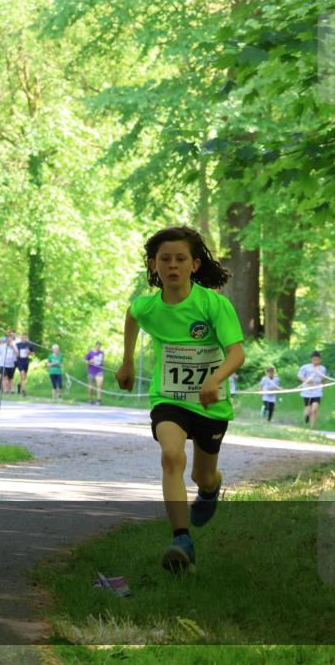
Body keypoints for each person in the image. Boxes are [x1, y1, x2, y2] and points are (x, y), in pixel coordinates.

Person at [116, 226, 244, 573]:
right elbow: (132, 315)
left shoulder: (213, 304)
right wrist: (127, 360)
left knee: (203, 475)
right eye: (165, 259)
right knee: (171, 456)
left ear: (195, 264)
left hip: (210, 404)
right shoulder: (148, 306)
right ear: (153, 265)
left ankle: (210, 488)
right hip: (169, 399)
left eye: (180, 259)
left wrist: (215, 379)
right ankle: (181, 539)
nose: (172, 266)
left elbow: (236, 353)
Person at [298, 351, 327, 430]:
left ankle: (312, 428)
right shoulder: (305, 367)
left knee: (314, 409)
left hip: (317, 391)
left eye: (317, 360)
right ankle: (306, 418)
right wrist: (306, 380)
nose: (316, 362)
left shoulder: (323, 369)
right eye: (314, 360)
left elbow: (323, 380)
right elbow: (300, 376)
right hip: (307, 391)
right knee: (308, 409)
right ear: (311, 360)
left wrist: (322, 377)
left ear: (320, 360)